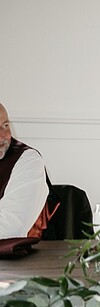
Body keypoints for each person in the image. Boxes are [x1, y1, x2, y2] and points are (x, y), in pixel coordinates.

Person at [0, 102, 54, 239]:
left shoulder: (28, 161)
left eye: (5, 126)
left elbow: (9, 228)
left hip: (16, 252)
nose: (2, 136)